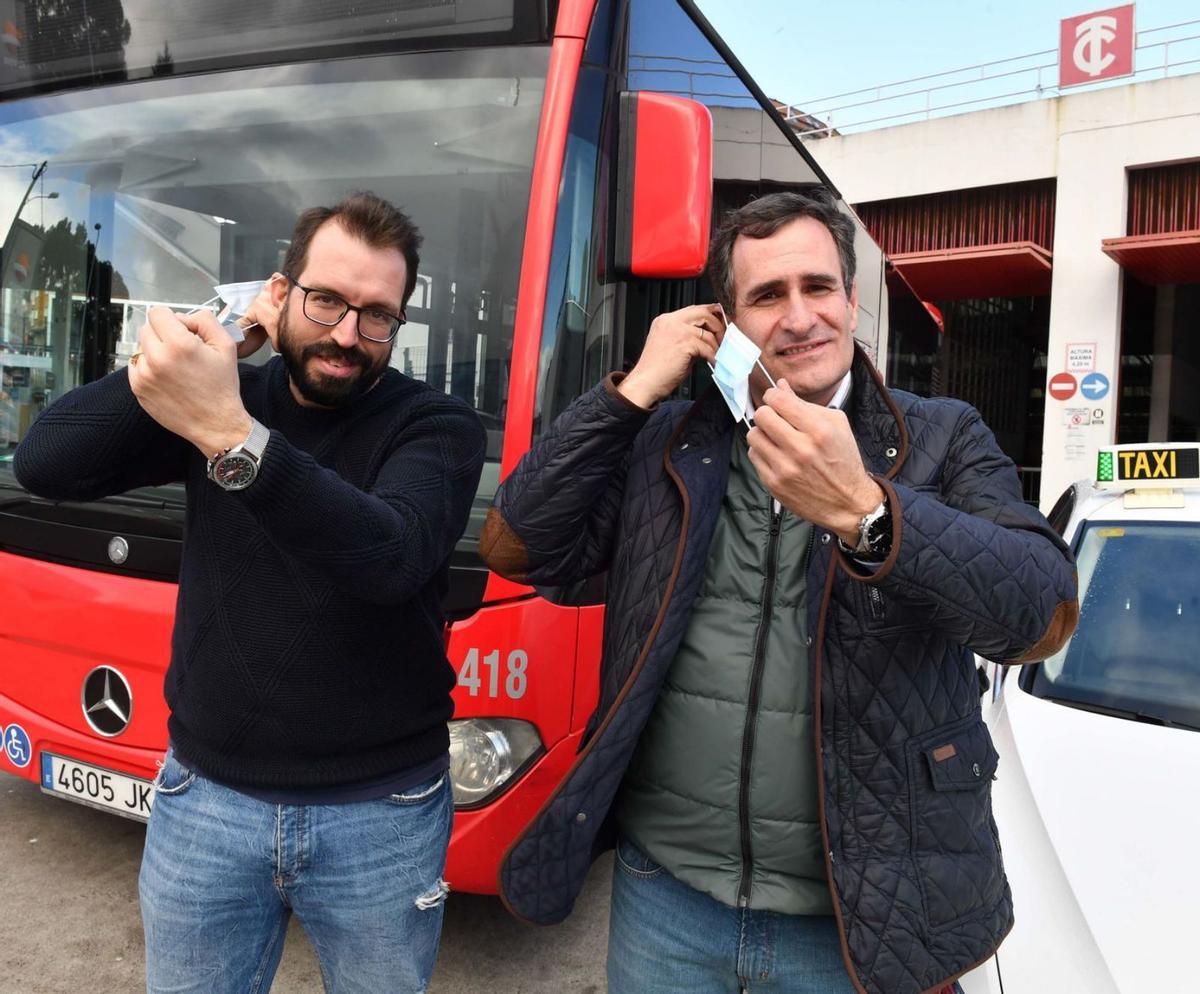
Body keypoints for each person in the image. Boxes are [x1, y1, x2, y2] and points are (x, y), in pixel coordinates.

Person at [479, 189, 1078, 994]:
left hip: (864, 914)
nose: (799, 317)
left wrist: (871, 516)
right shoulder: (670, 438)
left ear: (852, 300)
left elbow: (1042, 617)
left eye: (818, 287)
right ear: (727, 321)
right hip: (668, 901)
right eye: (767, 295)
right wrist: (629, 394)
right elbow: (518, 545)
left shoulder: (942, 435)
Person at [15, 192, 486, 994]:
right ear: (281, 292)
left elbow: (390, 555)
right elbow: (47, 462)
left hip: (381, 811)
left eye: (377, 315)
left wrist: (231, 437)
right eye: (327, 299)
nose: (347, 334)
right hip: (206, 802)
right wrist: (219, 341)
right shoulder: (228, 391)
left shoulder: (435, 426)